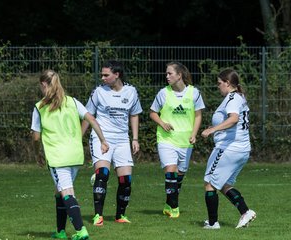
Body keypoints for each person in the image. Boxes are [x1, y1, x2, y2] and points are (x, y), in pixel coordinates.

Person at [31, 70, 109, 240]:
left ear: (44, 84)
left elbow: (36, 137)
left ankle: (81, 230)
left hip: (58, 157)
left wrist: (37, 154)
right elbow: (92, 119)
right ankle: (60, 231)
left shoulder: (40, 107)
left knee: (67, 192)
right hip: (75, 155)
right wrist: (103, 140)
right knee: (59, 192)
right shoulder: (73, 102)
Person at [81, 60, 142, 225]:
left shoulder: (131, 92)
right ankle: (98, 215)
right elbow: (88, 115)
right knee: (102, 175)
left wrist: (134, 138)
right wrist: (79, 137)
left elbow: (134, 114)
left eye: (106, 75)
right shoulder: (98, 92)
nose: (102, 77)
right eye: (102, 74)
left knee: (126, 180)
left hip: (122, 139)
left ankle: (120, 215)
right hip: (102, 137)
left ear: (117, 74)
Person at [201, 68, 256, 229]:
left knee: (210, 183)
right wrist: (217, 127)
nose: (218, 86)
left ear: (228, 83)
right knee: (224, 184)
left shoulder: (232, 98)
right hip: (241, 149)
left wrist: (212, 129)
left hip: (229, 148)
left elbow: (233, 119)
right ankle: (245, 212)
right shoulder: (239, 97)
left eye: (220, 83)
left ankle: (213, 223)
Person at [150, 61, 205, 218]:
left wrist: (194, 134)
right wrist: (162, 123)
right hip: (166, 139)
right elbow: (153, 112)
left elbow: (198, 115)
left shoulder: (194, 93)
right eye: (166, 73)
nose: (166, 76)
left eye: (170, 73)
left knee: (180, 174)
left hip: (185, 141)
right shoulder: (163, 93)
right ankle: (174, 207)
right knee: (170, 170)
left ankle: (169, 203)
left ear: (179, 75)